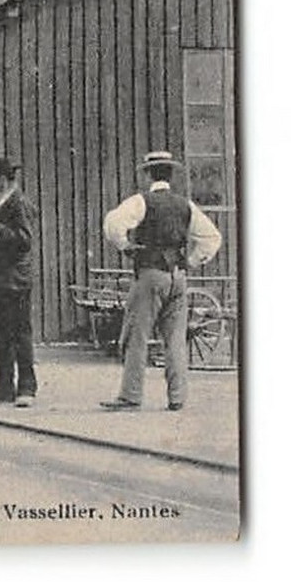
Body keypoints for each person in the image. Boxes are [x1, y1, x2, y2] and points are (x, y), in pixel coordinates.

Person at [100, 151, 223, 413]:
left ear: (147, 175)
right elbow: (212, 238)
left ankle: (131, 395)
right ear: (170, 175)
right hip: (178, 277)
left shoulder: (141, 201)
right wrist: (192, 260)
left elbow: (113, 224)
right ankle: (177, 397)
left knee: (137, 335)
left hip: (151, 274)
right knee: (176, 340)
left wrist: (125, 246)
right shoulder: (185, 205)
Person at [0, 158, 38, 407]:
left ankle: (26, 387)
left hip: (16, 280)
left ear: (4, 179)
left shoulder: (17, 203)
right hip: (1, 279)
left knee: (19, 334)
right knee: (1, 335)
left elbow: (24, 241)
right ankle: (4, 387)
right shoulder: (0, 203)